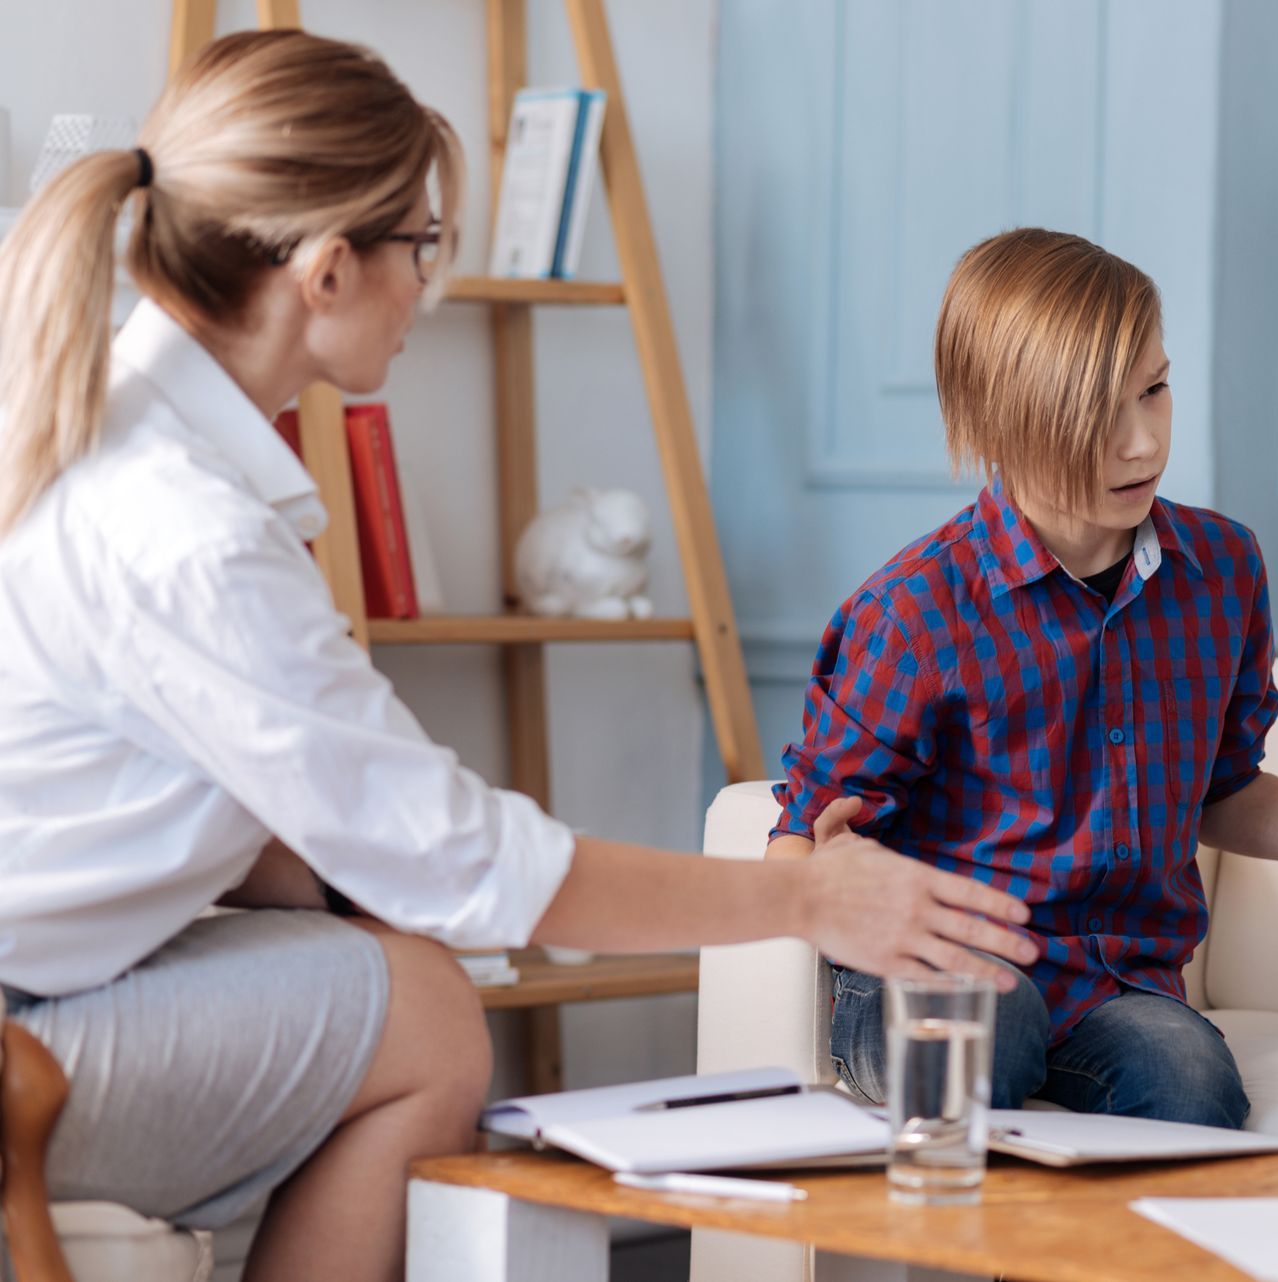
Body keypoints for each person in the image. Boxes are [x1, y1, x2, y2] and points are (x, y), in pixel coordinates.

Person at [0, 31, 1036, 1282]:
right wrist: (808, 898)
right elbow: (464, 860)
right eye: (423, 246)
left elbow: (275, 817)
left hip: (49, 980)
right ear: (328, 272)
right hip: (24, 1028)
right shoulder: (191, 530)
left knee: (395, 969)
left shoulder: (119, 428)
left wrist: (372, 901)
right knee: (428, 1018)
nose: (430, 288)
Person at [768, 228, 1278, 1128]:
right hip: (934, 975)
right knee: (990, 1027)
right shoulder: (917, 610)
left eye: (1155, 388)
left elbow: (1219, 790)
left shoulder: (1222, 569)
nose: (1143, 441)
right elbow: (804, 835)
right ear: (1001, 421)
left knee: (1189, 1083)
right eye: (1097, 413)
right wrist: (828, 871)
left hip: (1116, 988)